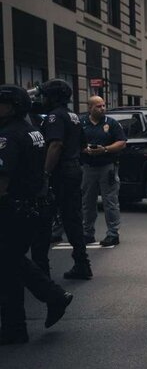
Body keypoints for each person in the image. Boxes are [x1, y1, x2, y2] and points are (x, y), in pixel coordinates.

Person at [0, 85, 73, 344]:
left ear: (14, 106)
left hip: (14, 209)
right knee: (11, 265)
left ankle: (51, 299)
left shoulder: (8, 136)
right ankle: (15, 326)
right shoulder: (32, 130)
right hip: (34, 206)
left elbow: (2, 181)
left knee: (9, 262)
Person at [35, 79, 92, 280]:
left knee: (44, 220)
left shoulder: (54, 117)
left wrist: (45, 174)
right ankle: (82, 263)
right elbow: (83, 144)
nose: (43, 98)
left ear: (53, 97)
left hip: (59, 174)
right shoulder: (73, 116)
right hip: (74, 171)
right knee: (72, 219)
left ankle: (42, 271)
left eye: (46, 95)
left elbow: (55, 145)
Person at [80, 96, 126, 247]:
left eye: (104, 105)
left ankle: (113, 234)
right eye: (98, 106)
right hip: (88, 167)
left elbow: (121, 142)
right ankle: (88, 233)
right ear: (90, 108)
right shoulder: (82, 123)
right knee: (87, 201)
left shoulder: (111, 123)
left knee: (110, 201)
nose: (102, 108)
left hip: (107, 167)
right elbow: (73, 142)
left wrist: (105, 149)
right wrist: (84, 149)